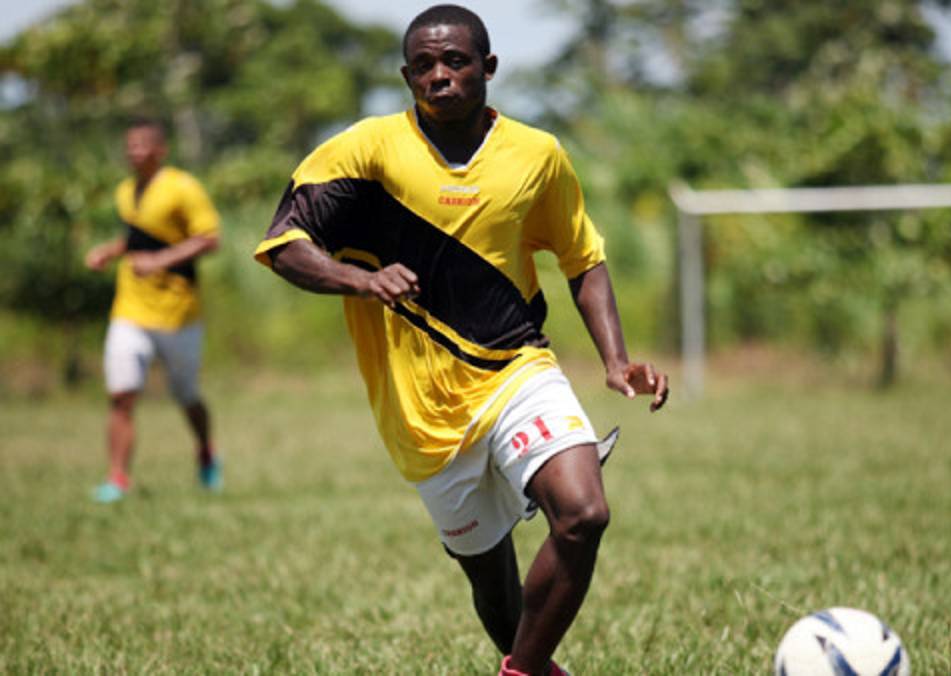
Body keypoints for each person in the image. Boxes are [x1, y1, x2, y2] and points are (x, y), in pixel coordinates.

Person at [253, 5, 668, 674]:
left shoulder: (538, 155)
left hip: (516, 369)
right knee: (493, 587)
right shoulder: (364, 151)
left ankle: (521, 670)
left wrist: (616, 362)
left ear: (488, 67)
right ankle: (526, 660)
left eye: (455, 62)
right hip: (420, 414)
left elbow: (582, 258)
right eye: (423, 65)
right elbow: (284, 244)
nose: (439, 76)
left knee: (584, 513)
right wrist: (358, 280)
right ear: (406, 75)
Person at [85, 118, 222, 504]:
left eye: (142, 145)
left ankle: (206, 453)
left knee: (187, 396)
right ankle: (117, 479)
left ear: (161, 150)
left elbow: (210, 239)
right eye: (129, 146)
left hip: (179, 314)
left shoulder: (182, 188)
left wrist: (161, 261)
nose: (134, 152)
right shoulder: (125, 192)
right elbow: (134, 237)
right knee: (122, 395)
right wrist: (110, 252)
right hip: (130, 310)